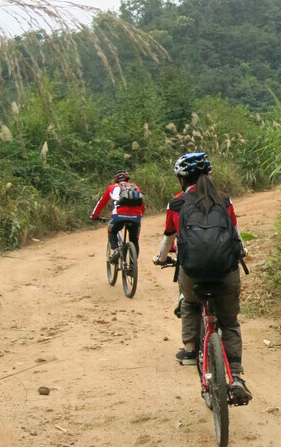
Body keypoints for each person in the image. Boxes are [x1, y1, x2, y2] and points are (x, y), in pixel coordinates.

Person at [153, 151, 252, 404]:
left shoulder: (176, 203)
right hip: (225, 273)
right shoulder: (224, 200)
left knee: (189, 302)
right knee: (229, 322)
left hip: (193, 273)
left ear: (182, 179)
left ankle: (189, 350)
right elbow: (236, 237)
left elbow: (169, 238)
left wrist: (161, 259)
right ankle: (237, 377)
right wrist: (241, 251)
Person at [90, 170, 146, 259]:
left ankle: (116, 250)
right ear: (128, 179)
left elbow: (101, 203)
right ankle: (132, 264)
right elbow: (142, 206)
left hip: (118, 216)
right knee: (134, 240)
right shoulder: (135, 187)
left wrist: (94, 216)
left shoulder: (112, 187)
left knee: (111, 230)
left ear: (116, 179)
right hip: (136, 217)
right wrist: (139, 215)